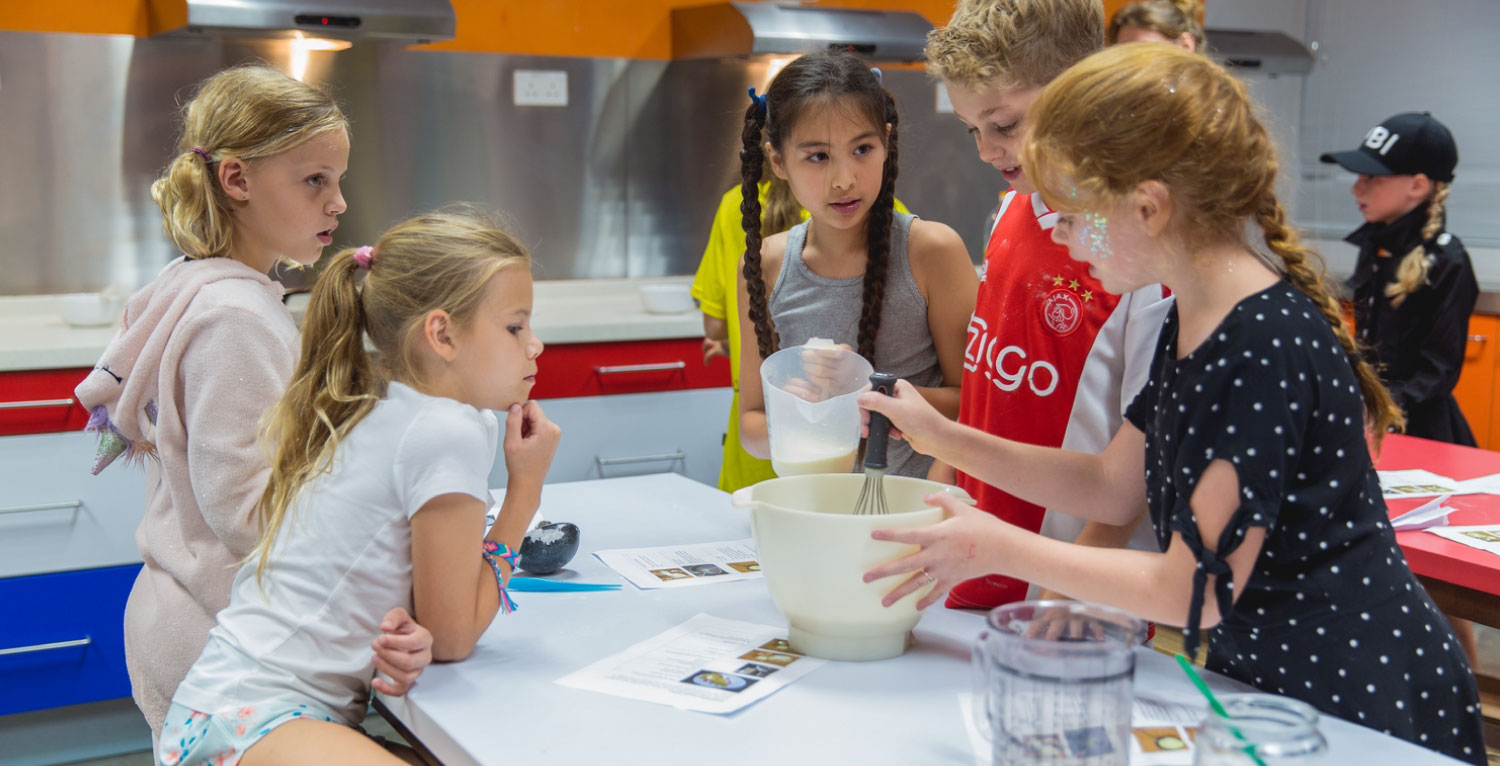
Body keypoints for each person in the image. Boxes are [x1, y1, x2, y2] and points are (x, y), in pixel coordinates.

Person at [861, 45, 1486, 764]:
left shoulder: (1257, 344)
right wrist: (942, 436)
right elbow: (1110, 481)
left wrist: (995, 546)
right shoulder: (1192, 316)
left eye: (1069, 214)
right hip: (1274, 680)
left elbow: (1196, 588)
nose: (1058, 235)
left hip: (1359, 694)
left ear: (1148, 206)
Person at [73, 65, 432, 739]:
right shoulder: (234, 317)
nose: (339, 203)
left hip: (179, 604)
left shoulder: (195, 283)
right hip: (224, 642)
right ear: (237, 180)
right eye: (315, 180)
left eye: (338, 180)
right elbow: (249, 513)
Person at [156, 209, 561, 766]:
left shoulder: (373, 404)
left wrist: (414, 630)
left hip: (224, 710)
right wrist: (525, 494)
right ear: (441, 334)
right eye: (516, 326)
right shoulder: (445, 430)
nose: (534, 345)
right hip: (255, 717)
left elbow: (420, 610)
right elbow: (455, 636)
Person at [921, 0, 1171, 610]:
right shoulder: (1012, 208)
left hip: (1071, 601)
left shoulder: (1148, 253)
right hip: (972, 571)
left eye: (1004, 125)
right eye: (972, 129)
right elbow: (985, 392)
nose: (985, 150)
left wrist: (1056, 596)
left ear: (1080, 89)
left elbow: (1132, 481)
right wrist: (935, 506)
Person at [734, 50, 975, 480]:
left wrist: (866, 393)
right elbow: (752, 428)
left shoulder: (931, 251)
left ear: (886, 142)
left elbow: (979, 404)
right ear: (777, 161)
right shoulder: (766, 264)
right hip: (816, 514)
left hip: (916, 515)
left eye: (862, 149)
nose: (844, 179)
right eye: (818, 156)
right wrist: (800, 412)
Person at [693, 176, 910, 492]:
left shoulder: (736, 204)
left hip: (760, 465)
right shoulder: (878, 208)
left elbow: (715, 324)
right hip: (854, 467)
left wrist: (738, 346)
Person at [1321, 112, 1476, 446]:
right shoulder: (1374, 246)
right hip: (1368, 418)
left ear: (1417, 186)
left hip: (1417, 429)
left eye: (1372, 177)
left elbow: (1438, 372)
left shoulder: (1449, 260)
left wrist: (1381, 409)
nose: (1355, 188)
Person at [1107, 0, 1204, 51]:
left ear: (1185, 46)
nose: (1134, 60)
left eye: (1148, 50)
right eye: (1123, 52)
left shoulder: (1211, 87)